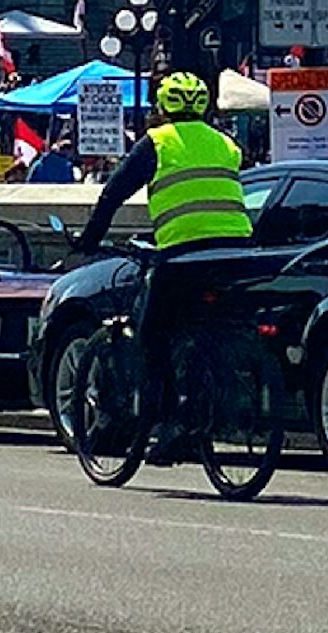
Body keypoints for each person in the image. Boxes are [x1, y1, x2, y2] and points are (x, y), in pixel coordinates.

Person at [67, 65, 261, 456]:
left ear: (161, 106)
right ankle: (212, 399)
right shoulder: (225, 144)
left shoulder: (158, 142)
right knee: (208, 328)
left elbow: (113, 194)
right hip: (235, 251)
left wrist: (88, 240)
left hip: (183, 253)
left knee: (153, 335)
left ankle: (171, 420)